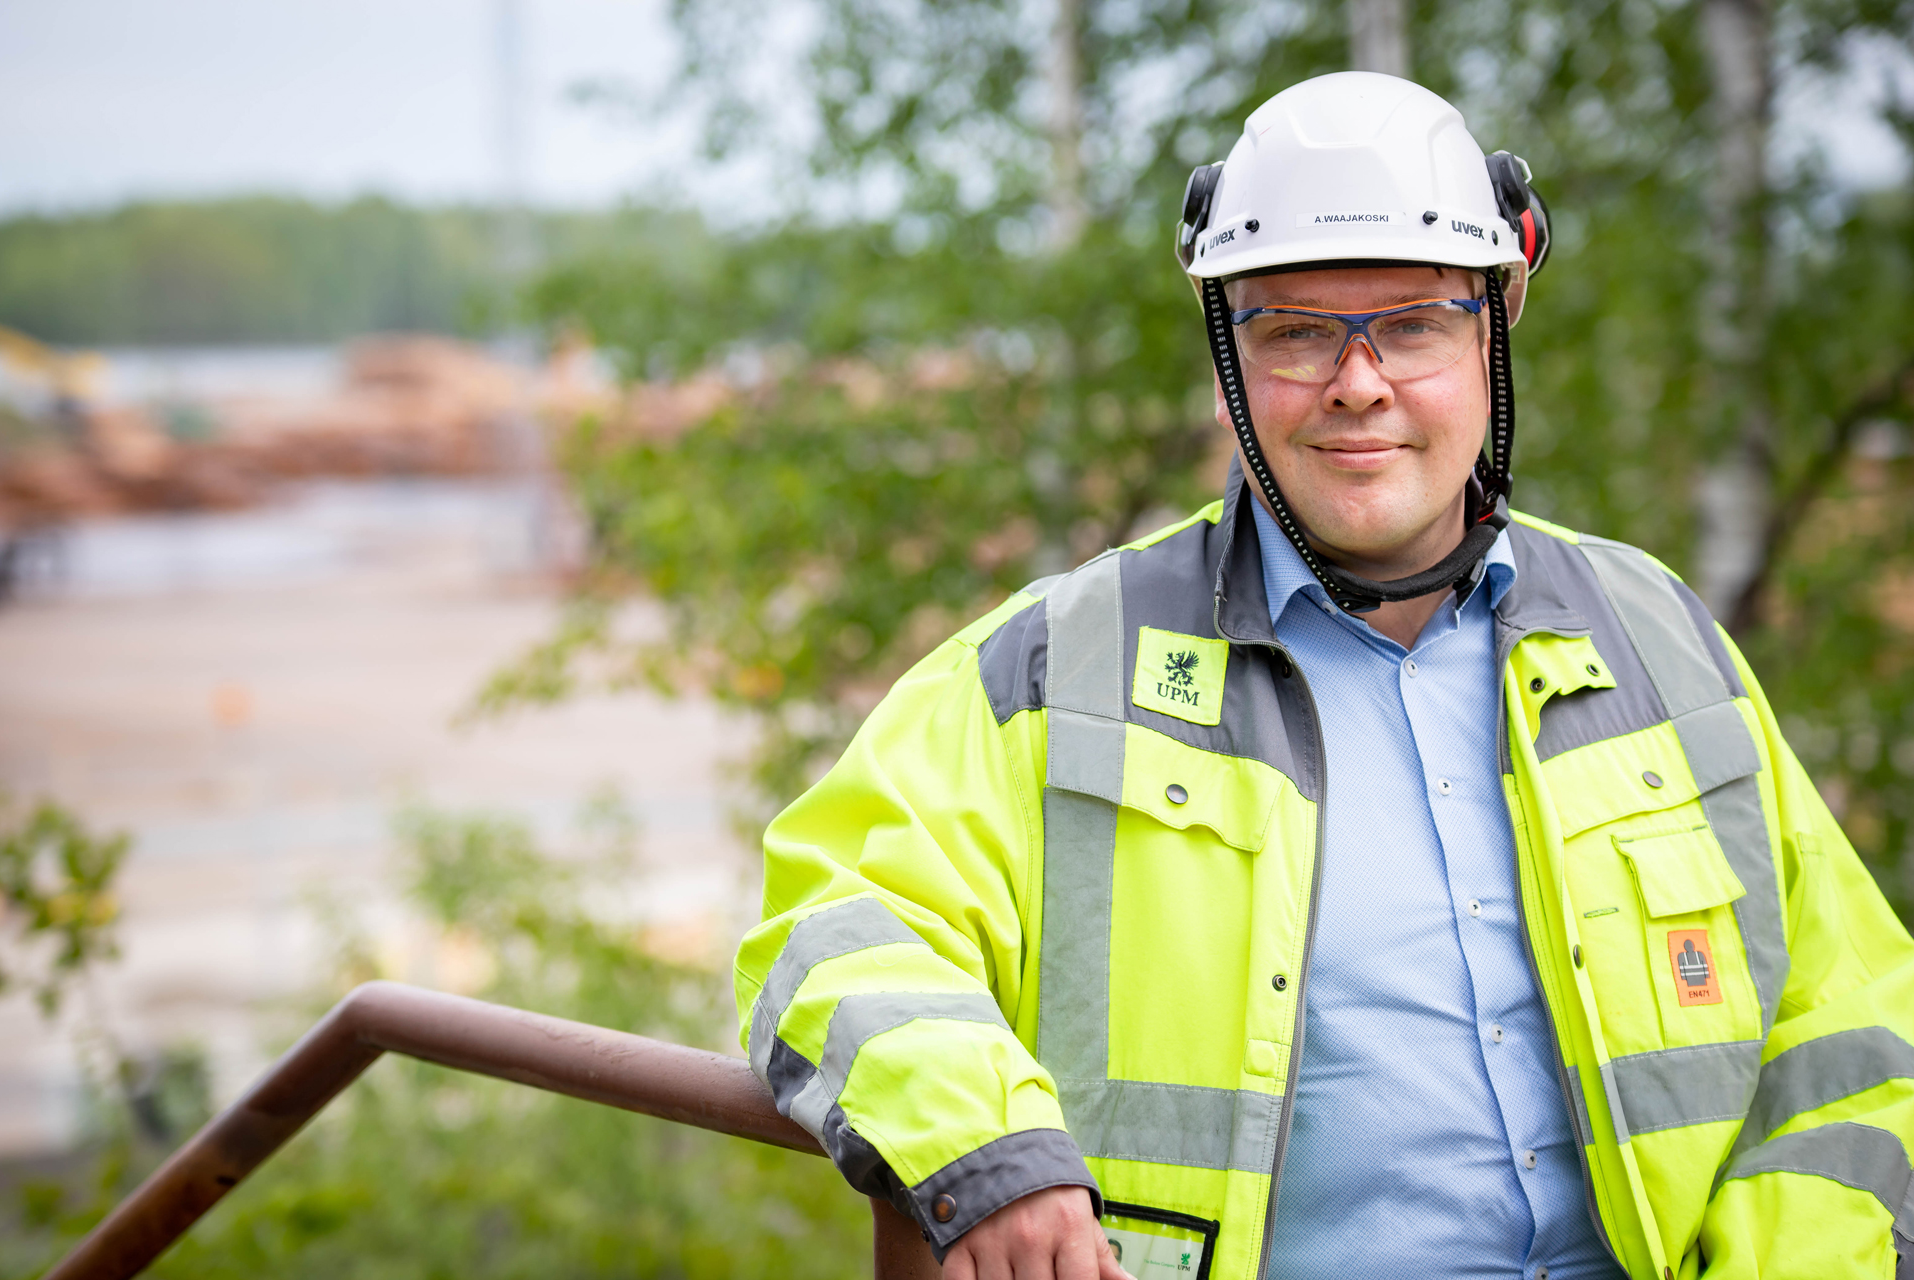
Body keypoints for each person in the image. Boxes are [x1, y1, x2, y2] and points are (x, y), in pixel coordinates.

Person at [734, 72, 1914, 1280]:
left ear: (1494, 329)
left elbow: (1853, 1023)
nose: (1359, 382)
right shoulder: (1058, 666)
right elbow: (834, 925)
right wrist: (985, 1147)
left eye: (1411, 322)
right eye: (1296, 331)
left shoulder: (1654, 636)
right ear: (1227, 361)